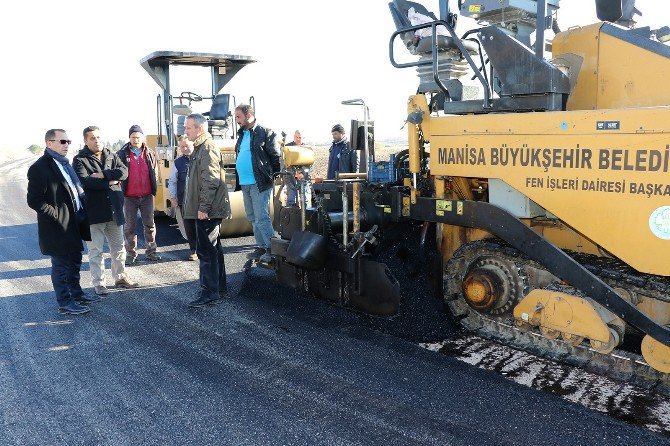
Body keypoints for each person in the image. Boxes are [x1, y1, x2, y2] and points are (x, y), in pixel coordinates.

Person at [26, 129, 96, 315]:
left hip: (75, 221)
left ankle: (77, 294)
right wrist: (57, 214)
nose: (67, 145)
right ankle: (65, 302)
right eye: (63, 141)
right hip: (57, 226)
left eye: (68, 141)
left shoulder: (65, 164)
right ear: (50, 143)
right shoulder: (39, 168)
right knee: (61, 265)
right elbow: (34, 200)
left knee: (75, 261)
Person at [73, 126, 139, 296]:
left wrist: (103, 175)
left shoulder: (111, 154)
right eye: (93, 138)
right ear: (86, 140)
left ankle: (120, 278)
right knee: (96, 251)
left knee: (118, 248)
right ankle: (99, 284)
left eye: (99, 137)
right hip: (94, 214)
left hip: (114, 211)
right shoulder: (80, 160)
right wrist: (111, 181)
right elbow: (85, 182)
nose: (97, 141)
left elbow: (124, 172)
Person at [183, 113, 231, 307]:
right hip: (206, 208)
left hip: (207, 210)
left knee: (206, 251)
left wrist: (203, 208)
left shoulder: (207, 148)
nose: (185, 131)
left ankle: (209, 292)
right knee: (213, 249)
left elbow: (210, 180)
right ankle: (218, 287)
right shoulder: (200, 147)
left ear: (199, 128)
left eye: (188, 128)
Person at [234, 104, 280, 263]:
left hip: (259, 182)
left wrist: (273, 177)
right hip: (245, 183)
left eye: (238, 117)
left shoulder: (266, 133)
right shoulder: (242, 134)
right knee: (253, 217)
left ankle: (273, 249)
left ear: (248, 116)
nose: (236, 120)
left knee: (261, 217)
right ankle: (261, 246)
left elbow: (275, 157)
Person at [117, 125, 161, 264]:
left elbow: (155, 170)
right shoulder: (122, 154)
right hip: (129, 197)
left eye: (138, 136)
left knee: (150, 225)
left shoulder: (150, 153)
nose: (136, 139)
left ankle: (151, 251)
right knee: (130, 226)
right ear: (129, 138)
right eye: (133, 137)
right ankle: (130, 254)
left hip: (147, 195)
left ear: (143, 137)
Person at [168, 135, 197, 261]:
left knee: (202, 225)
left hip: (200, 199)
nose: (185, 148)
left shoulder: (201, 158)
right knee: (189, 227)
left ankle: (205, 249)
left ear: (193, 144)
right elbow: (172, 181)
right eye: (182, 146)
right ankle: (194, 250)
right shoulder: (177, 162)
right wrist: (173, 197)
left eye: (187, 145)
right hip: (184, 201)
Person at [284, 130, 310, 206]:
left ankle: (306, 217)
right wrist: (294, 174)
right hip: (291, 178)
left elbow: (309, 164)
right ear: (294, 137)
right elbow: (285, 163)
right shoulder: (288, 148)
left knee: (305, 201)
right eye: (296, 137)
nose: (298, 139)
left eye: (300, 137)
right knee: (290, 201)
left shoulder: (306, 149)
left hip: (303, 178)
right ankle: (291, 217)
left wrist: (303, 174)